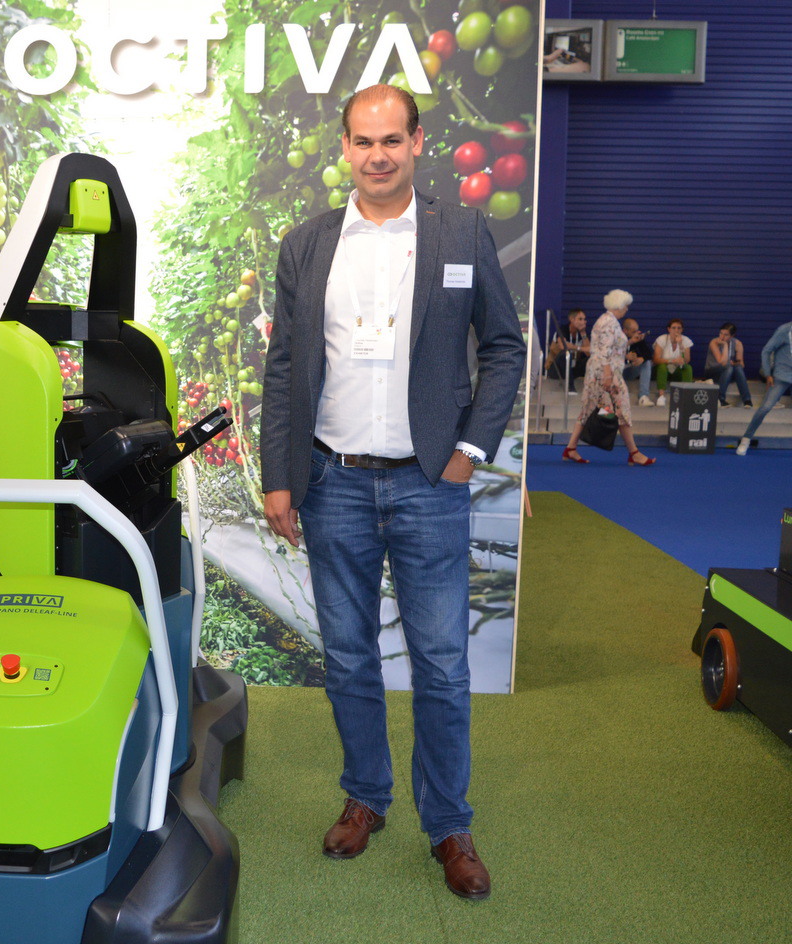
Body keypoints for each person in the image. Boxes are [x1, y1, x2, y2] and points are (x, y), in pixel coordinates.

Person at [260, 84, 525, 901]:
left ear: (417, 143)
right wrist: (279, 476)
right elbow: (283, 368)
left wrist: (470, 449)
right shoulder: (307, 245)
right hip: (331, 482)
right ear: (345, 147)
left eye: (391, 140)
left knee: (442, 664)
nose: (377, 155)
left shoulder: (461, 232)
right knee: (348, 656)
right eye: (362, 141)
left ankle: (448, 823)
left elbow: (505, 347)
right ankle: (366, 797)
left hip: (428, 483)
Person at [561, 290, 654, 466]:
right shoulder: (610, 323)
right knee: (622, 408)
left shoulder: (606, 321)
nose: (627, 309)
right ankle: (634, 453)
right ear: (619, 305)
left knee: (589, 408)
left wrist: (630, 342)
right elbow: (604, 351)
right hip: (607, 372)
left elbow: (609, 347)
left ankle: (571, 448)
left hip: (600, 371)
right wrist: (608, 375)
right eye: (626, 305)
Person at [737, 320, 792, 455]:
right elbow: (766, 350)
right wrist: (768, 373)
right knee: (765, 408)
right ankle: (746, 439)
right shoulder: (784, 330)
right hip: (781, 376)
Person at [704, 323, 753, 407]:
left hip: (728, 372)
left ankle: (747, 400)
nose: (722, 337)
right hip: (712, 371)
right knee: (729, 367)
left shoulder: (737, 343)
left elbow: (742, 364)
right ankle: (720, 399)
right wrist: (725, 345)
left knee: (738, 368)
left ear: (732, 336)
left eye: (726, 335)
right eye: (721, 333)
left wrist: (735, 363)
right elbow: (722, 362)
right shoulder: (714, 342)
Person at [544, 308, 588, 393]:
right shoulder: (563, 329)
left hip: (573, 369)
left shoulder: (582, 333)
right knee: (566, 355)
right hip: (556, 369)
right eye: (580, 319)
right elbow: (563, 346)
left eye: (584, 319)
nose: (583, 322)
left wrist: (583, 333)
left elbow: (589, 352)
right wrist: (579, 348)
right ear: (572, 319)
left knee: (592, 359)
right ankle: (570, 387)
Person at [652, 318, 693, 405]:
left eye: (679, 328)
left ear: (682, 330)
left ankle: (686, 396)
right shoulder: (662, 339)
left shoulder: (685, 340)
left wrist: (680, 344)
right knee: (662, 366)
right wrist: (672, 361)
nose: (676, 330)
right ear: (669, 329)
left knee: (688, 368)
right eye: (673, 328)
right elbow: (656, 359)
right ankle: (661, 396)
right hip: (663, 370)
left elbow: (687, 360)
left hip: (676, 370)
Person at [621, 316, 654, 405]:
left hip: (629, 370)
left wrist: (641, 359)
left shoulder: (638, 339)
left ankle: (643, 396)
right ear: (625, 331)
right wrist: (625, 356)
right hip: (618, 371)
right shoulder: (617, 338)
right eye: (633, 332)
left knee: (647, 363)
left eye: (637, 331)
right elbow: (610, 354)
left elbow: (649, 354)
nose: (636, 334)